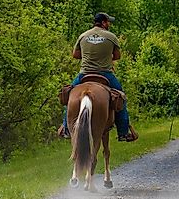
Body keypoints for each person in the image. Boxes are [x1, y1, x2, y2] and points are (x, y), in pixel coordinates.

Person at [58, 12, 138, 142]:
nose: (109, 24)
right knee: (121, 98)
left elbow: (75, 54)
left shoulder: (83, 36)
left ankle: (66, 128)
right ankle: (123, 132)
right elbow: (117, 56)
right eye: (108, 22)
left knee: (69, 96)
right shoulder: (111, 37)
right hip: (105, 74)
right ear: (104, 23)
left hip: (84, 74)